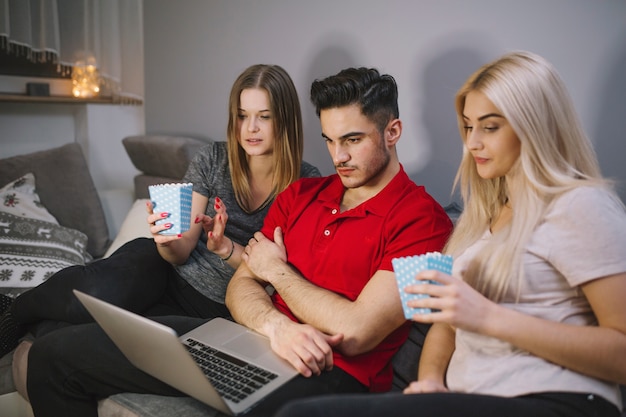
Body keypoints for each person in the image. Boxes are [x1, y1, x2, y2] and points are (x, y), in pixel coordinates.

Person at [21, 67, 452, 417]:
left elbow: (356, 332)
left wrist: (276, 273)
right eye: (331, 141)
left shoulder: (423, 221)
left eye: (353, 140)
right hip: (248, 340)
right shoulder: (304, 195)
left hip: (328, 374)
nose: (338, 156)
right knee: (52, 356)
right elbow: (240, 286)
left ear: (392, 132)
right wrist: (275, 325)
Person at [273, 51, 626, 417]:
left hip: (554, 400)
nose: (472, 143)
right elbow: (443, 325)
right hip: (464, 398)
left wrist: (488, 318)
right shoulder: (479, 220)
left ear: (534, 126)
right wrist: (429, 382)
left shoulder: (581, 205)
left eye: (489, 127)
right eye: (468, 126)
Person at [0, 63, 320, 358]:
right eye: (241, 115)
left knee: (89, 337)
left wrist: (224, 248)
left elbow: (276, 272)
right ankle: (15, 312)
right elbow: (180, 253)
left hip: (217, 306)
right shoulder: (213, 159)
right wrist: (166, 239)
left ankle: (36, 339)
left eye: (263, 116)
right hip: (163, 268)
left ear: (285, 119)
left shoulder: (308, 183)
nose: (250, 128)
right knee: (94, 291)